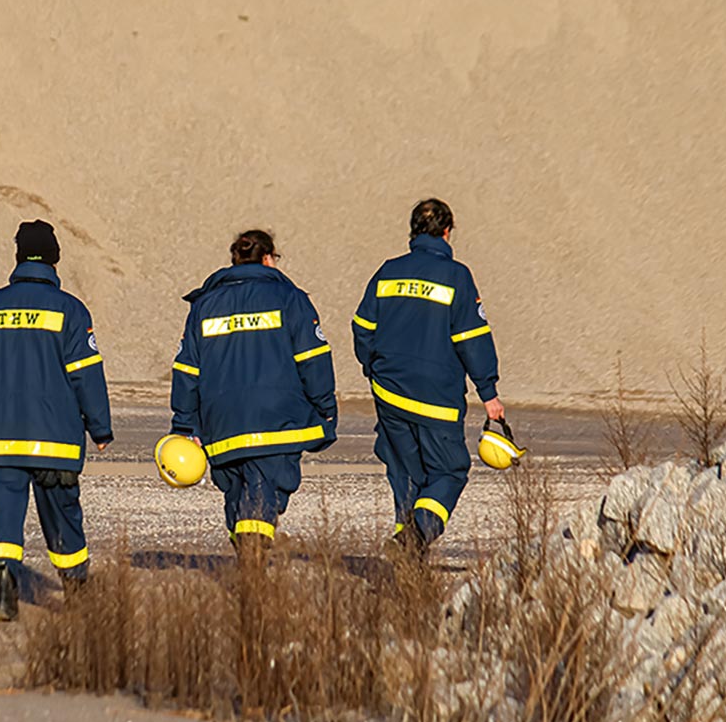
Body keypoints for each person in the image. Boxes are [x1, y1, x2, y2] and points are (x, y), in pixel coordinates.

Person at [0, 220, 111, 621]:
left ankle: (3, 584)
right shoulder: (71, 310)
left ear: (18, 257)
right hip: (54, 441)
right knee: (63, 518)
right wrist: (99, 427)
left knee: (3, 520)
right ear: (55, 260)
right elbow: (85, 373)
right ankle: (76, 590)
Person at [352, 198, 509, 555]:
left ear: (413, 231)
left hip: (390, 394)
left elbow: (362, 327)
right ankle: (414, 538)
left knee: (405, 476)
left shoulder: (388, 272)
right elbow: (472, 339)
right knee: (449, 472)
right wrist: (489, 394)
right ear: (447, 232)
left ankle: (408, 561)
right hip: (437, 400)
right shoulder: (457, 277)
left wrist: (373, 368)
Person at [170, 229, 337, 564]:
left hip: (221, 422)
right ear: (267, 258)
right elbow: (312, 358)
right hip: (275, 418)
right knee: (264, 493)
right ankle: (252, 567)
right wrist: (325, 407)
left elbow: (187, 370)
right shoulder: (290, 298)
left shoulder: (204, 305)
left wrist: (184, 424)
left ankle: (249, 571)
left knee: (237, 498)